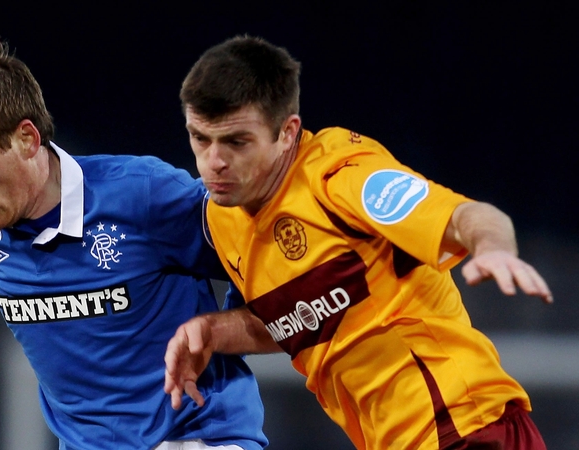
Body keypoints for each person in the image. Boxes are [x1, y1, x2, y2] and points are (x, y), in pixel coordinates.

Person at [0, 34, 268, 450]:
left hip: (196, 437)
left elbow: (261, 252)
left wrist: (221, 329)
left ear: (27, 139)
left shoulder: (144, 196)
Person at [164, 35, 553, 450]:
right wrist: (211, 331)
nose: (214, 161)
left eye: (236, 142)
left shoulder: (341, 178)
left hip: (463, 425)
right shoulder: (221, 216)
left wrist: (493, 248)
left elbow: (469, 216)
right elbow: (300, 318)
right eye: (200, 138)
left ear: (287, 132)